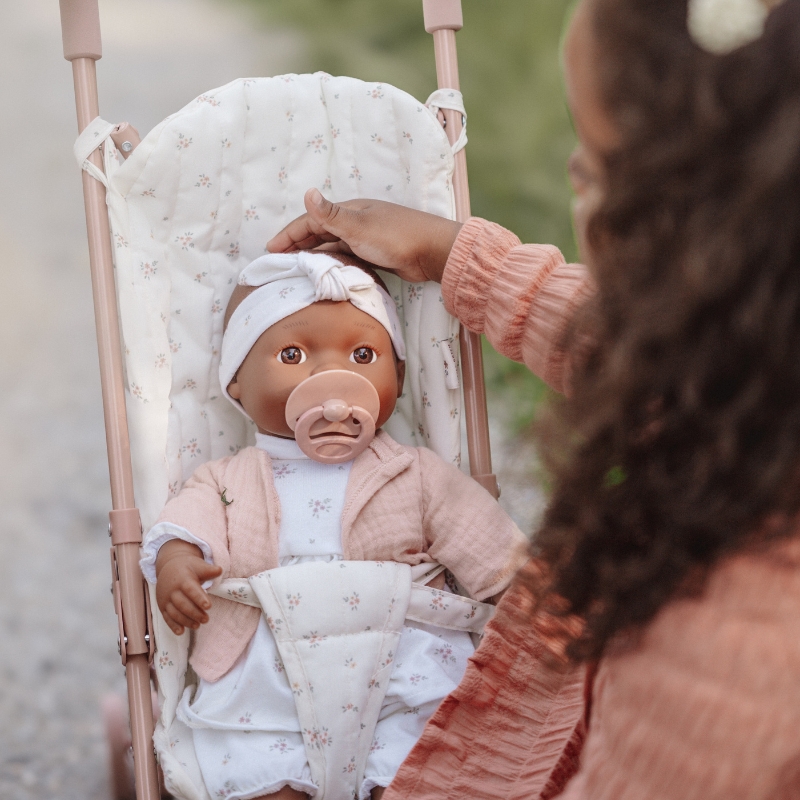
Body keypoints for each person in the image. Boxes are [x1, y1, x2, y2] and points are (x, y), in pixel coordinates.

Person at [265, 0, 800, 796]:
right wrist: (455, 255)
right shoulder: (752, 370)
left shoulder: (719, 660)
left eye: (590, 169)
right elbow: (623, 343)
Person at [139, 249, 527, 800]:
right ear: (237, 387)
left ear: (396, 376)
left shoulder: (413, 472)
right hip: (268, 682)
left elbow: (485, 541)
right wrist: (177, 560)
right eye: (293, 353)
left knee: (426, 754)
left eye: (363, 353)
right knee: (258, 765)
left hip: (401, 665)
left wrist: (529, 597)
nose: (331, 374)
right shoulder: (226, 479)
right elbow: (186, 523)